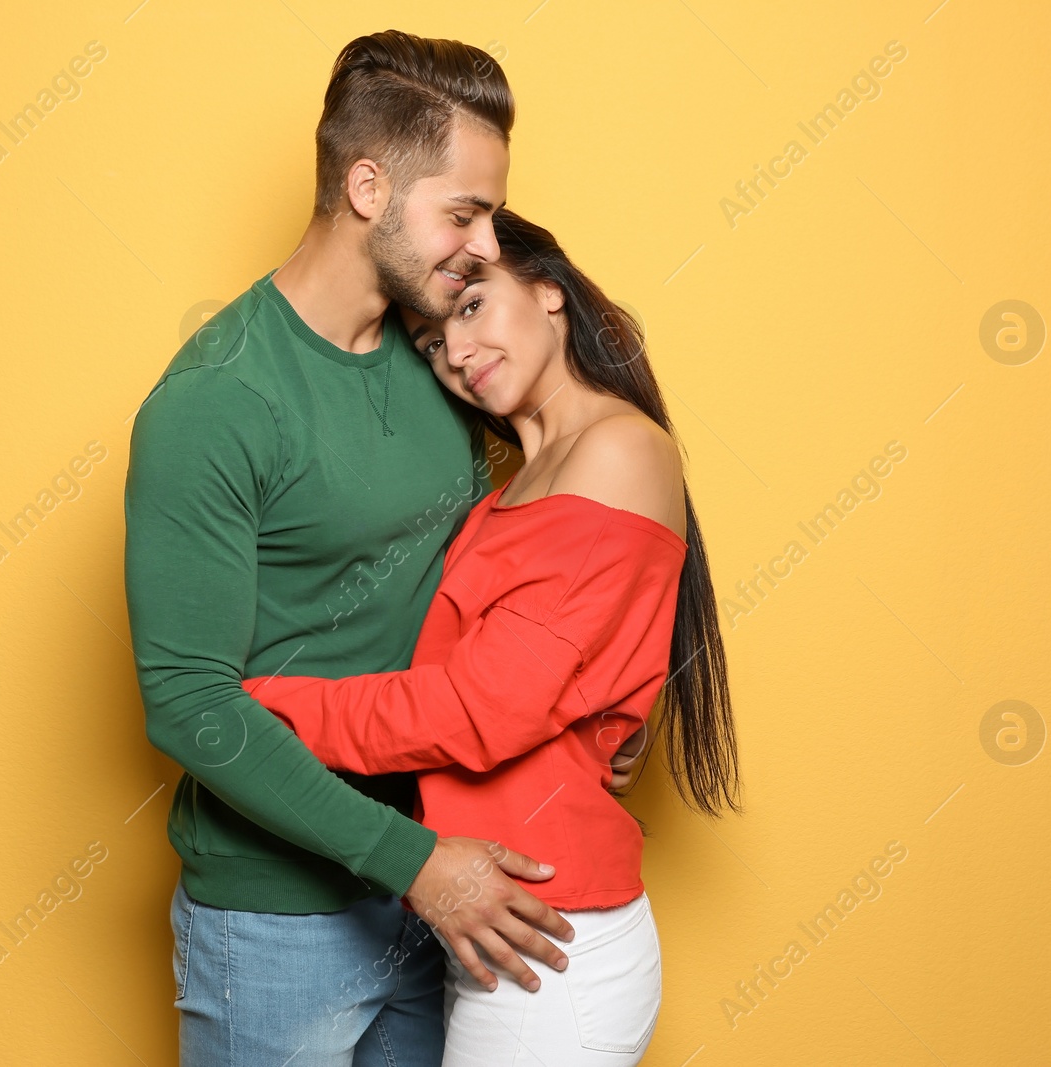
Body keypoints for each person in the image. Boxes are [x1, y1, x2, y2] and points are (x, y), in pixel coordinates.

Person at [125, 30, 585, 1066]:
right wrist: (416, 861)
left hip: (438, 894)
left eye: (491, 216)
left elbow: (513, 564)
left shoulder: (446, 364)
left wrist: (593, 707)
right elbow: (189, 705)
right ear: (368, 185)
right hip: (278, 925)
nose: (482, 244)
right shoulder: (216, 402)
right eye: (461, 212)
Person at [240, 206, 742, 1065]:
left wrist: (251, 709)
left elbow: (484, 706)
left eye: (470, 308)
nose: (457, 355)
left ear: (549, 293)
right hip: (498, 920)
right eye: (431, 344)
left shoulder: (618, 450)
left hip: (553, 939)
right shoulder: (510, 487)